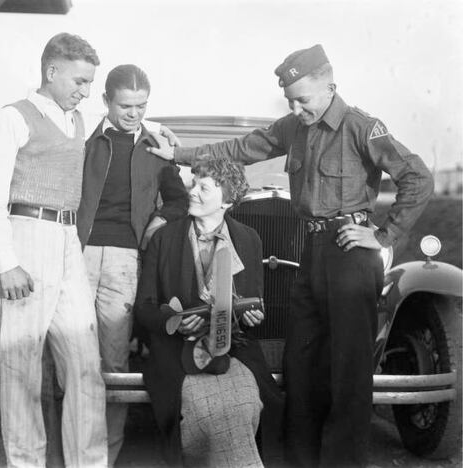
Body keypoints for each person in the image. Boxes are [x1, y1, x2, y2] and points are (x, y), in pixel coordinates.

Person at [148, 44, 434, 467]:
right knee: (301, 365)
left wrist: (384, 235)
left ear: (330, 87)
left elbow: (418, 177)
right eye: (289, 101)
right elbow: (242, 149)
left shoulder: (361, 127)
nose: (296, 108)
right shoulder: (292, 127)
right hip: (311, 251)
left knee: (348, 371)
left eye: (302, 99)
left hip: (351, 252)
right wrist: (182, 156)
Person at [0, 33, 107, 468]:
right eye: (79, 81)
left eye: (90, 83)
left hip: (67, 242)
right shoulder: (12, 118)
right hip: (24, 238)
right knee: (22, 371)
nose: (85, 91)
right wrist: (6, 263)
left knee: (86, 366)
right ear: (51, 72)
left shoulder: (79, 121)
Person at [134, 154, 284, 467]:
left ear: (227, 200)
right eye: (194, 184)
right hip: (175, 349)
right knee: (202, 409)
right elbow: (144, 308)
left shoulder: (248, 239)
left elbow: (254, 299)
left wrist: (252, 314)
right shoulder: (163, 238)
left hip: (233, 349)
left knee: (249, 403)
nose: (192, 192)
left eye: (205, 188)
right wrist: (174, 322)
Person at [75, 64, 188, 465]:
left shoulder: (155, 147)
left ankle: (104, 455)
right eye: (126, 105)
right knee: (72, 355)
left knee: (114, 358)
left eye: (142, 106)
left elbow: (178, 199)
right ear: (106, 101)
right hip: (79, 255)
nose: (134, 114)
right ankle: (75, 449)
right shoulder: (84, 138)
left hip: (125, 261)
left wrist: (158, 220)